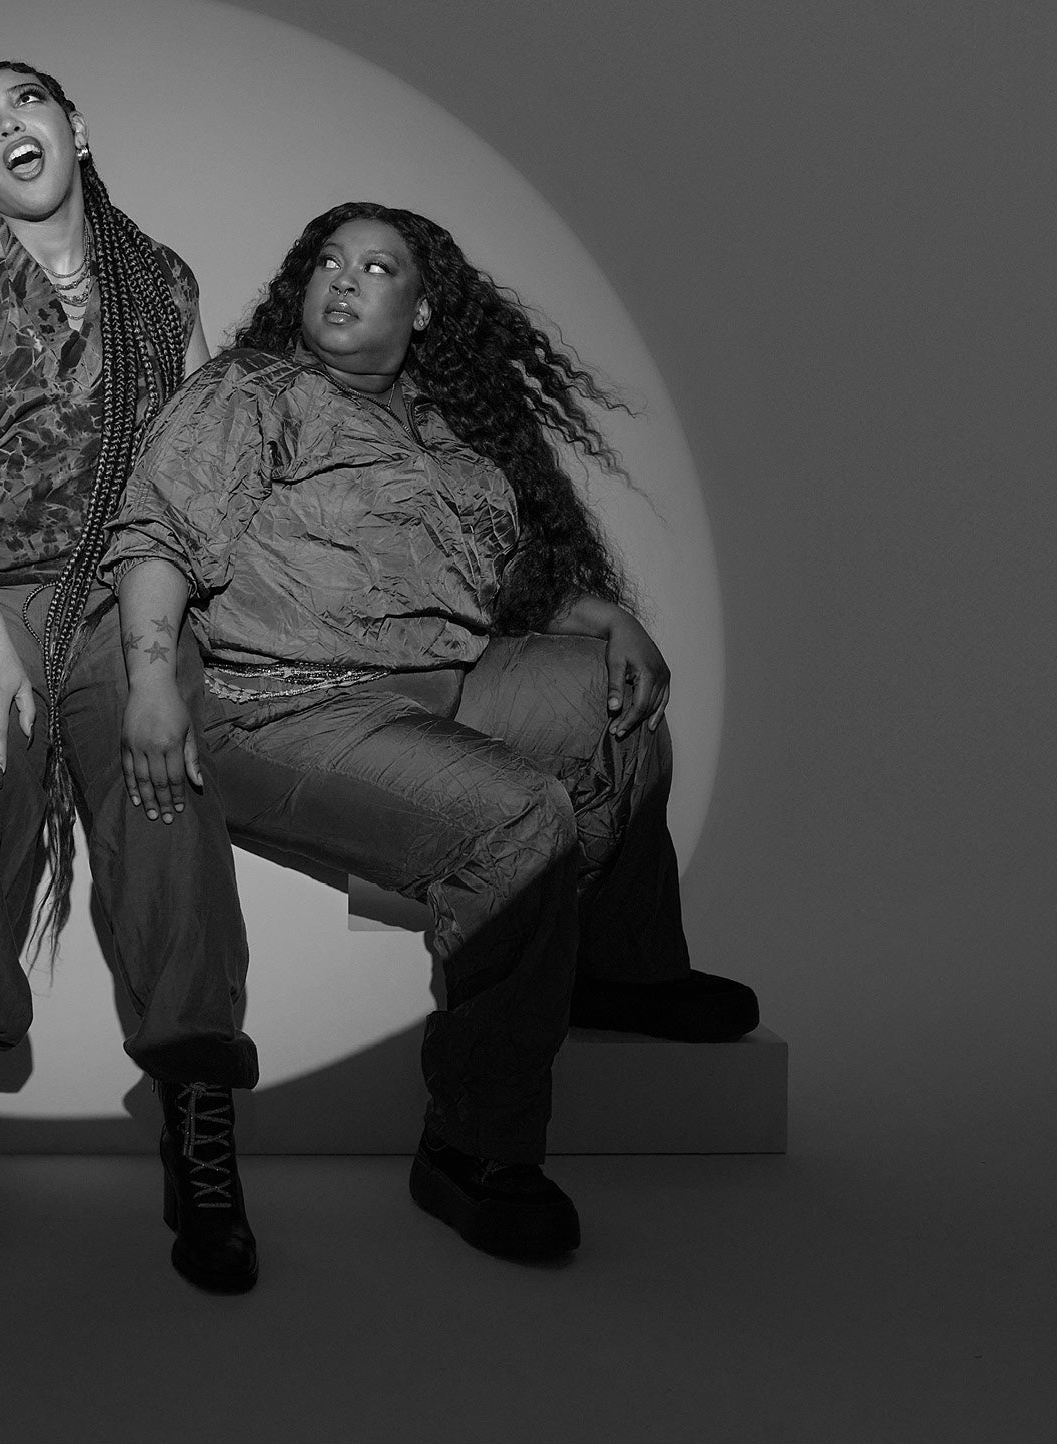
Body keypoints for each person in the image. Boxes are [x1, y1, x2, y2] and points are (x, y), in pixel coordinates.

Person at [104, 205, 758, 1265]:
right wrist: (146, 680)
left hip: (436, 682)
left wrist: (608, 620)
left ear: (421, 308)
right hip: (283, 706)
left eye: (377, 267)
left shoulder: (444, 426)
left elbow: (495, 583)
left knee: (615, 714)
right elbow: (157, 535)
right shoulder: (251, 392)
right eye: (329, 260)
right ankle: (469, 1147)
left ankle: (619, 968)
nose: (343, 279)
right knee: (518, 820)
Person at [0, 61, 260, 1292]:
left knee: (164, 783)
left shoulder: (160, 280)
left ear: (74, 128)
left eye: (23, 101)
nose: (4, 125)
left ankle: (197, 1111)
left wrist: (158, 656)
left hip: (121, 589)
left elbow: (188, 484)